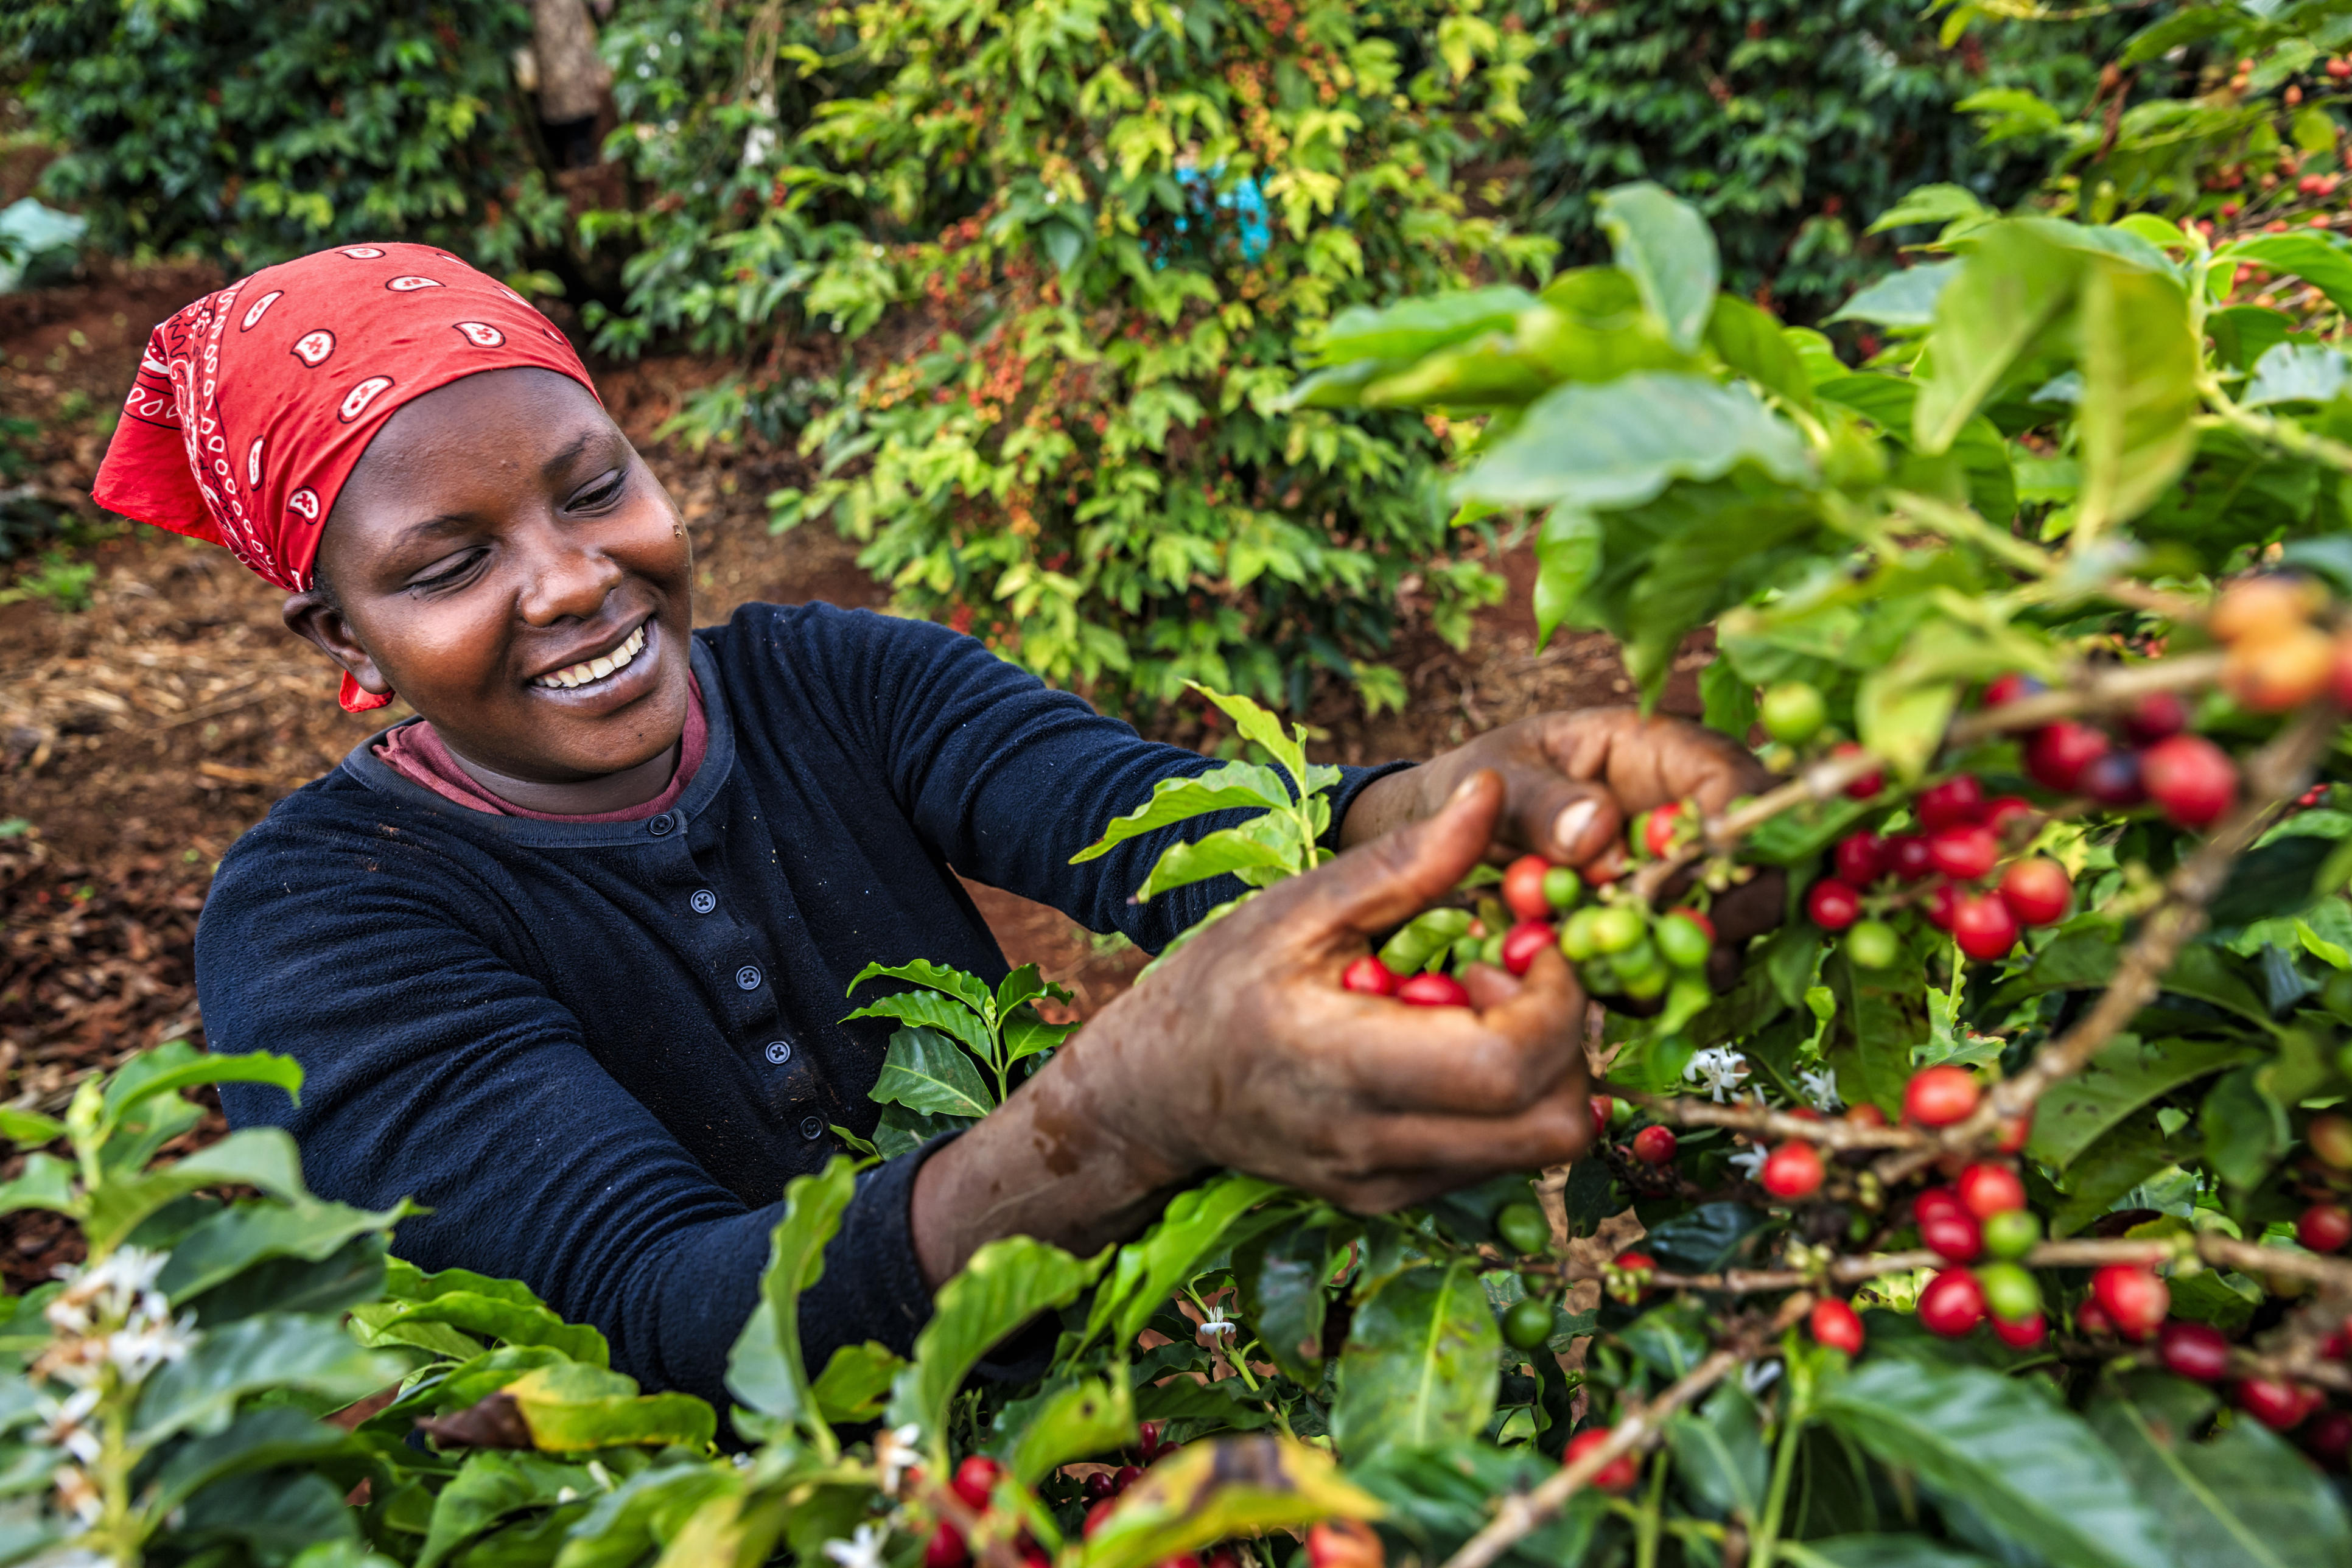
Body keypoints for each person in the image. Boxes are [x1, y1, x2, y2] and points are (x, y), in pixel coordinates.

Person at [93, 244, 1773, 1411]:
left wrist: (1456, 801)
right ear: (343, 640)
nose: (574, 580)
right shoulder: (324, 924)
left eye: (593, 484)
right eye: (449, 565)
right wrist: (1119, 1119)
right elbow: (660, 1317)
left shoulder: (833, 681)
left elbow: (1160, 824)